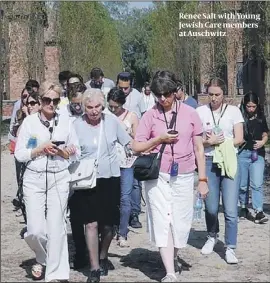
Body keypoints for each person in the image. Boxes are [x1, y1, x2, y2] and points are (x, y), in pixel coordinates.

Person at [132, 70, 208, 282]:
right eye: (158, 95)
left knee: (180, 222)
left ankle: (173, 256)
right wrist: (159, 140)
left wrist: (202, 180)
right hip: (158, 175)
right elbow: (136, 145)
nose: (162, 99)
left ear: (175, 92)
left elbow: (199, 149)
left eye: (166, 94)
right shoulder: (150, 115)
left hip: (184, 175)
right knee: (161, 219)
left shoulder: (191, 114)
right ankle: (170, 272)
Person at [15, 81, 80, 282]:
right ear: (40, 100)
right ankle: (42, 257)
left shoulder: (66, 122)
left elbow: (76, 152)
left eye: (55, 100)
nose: (51, 104)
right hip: (34, 179)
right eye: (46, 100)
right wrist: (39, 149)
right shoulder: (29, 123)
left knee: (56, 227)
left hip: (58, 177)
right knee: (35, 230)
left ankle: (56, 275)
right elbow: (20, 154)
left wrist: (65, 152)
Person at [72, 89, 131, 282]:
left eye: (97, 106)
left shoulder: (112, 121)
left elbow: (129, 143)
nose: (94, 111)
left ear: (103, 105)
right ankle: (94, 268)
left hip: (109, 178)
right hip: (87, 180)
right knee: (90, 223)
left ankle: (103, 255)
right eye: (89, 107)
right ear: (83, 107)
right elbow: (70, 152)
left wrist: (154, 143)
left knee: (107, 225)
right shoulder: (76, 125)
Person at [196, 78, 244, 264]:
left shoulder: (233, 111)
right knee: (211, 207)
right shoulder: (200, 112)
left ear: (224, 94)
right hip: (209, 161)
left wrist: (222, 143)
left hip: (229, 161)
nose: (214, 98)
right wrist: (210, 142)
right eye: (211, 94)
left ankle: (230, 247)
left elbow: (239, 138)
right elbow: (197, 140)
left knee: (231, 210)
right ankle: (211, 235)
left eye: (217, 94)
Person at [107, 87, 139, 247]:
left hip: (127, 162)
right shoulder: (105, 116)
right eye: (110, 106)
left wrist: (128, 134)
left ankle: (123, 232)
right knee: (111, 198)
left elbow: (138, 139)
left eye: (116, 107)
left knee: (125, 198)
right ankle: (110, 228)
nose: (113, 109)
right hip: (109, 163)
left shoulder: (131, 116)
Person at [117, 71, 145, 228]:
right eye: (121, 87)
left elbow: (145, 115)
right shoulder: (113, 97)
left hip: (133, 144)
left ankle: (134, 213)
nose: (123, 91)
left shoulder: (138, 97)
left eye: (126, 88)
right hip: (117, 149)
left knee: (134, 182)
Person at [238, 91, 269, 223]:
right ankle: (243, 207)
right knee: (243, 184)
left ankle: (258, 211)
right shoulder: (240, 118)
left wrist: (263, 141)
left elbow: (265, 132)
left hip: (258, 154)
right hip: (243, 153)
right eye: (248, 106)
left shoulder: (261, 118)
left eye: (253, 106)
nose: (251, 109)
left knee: (257, 183)